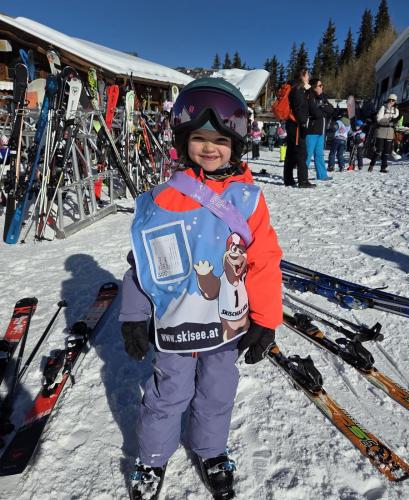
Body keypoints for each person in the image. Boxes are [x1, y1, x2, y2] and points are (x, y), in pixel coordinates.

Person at [119, 78, 283, 500]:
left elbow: (264, 259)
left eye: (220, 140)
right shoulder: (163, 200)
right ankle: (152, 458)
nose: (210, 148)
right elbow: (144, 264)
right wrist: (134, 314)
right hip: (176, 323)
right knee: (168, 392)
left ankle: (211, 450)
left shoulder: (248, 200)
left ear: (236, 145)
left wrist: (266, 319)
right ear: (183, 140)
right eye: (199, 138)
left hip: (225, 326)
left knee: (217, 390)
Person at [283, 69, 315, 188]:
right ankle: (303, 181)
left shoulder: (295, 89)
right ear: (302, 77)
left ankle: (288, 179)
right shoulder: (298, 90)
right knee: (302, 153)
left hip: (292, 124)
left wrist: (308, 91)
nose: (309, 77)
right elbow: (299, 108)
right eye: (307, 75)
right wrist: (303, 123)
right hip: (296, 125)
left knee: (291, 152)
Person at [305, 78, 335, 181]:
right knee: (307, 154)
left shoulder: (323, 97)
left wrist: (322, 107)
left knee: (319, 155)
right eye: (320, 85)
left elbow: (331, 109)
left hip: (321, 131)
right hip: (311, 131)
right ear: (314, 87)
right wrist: (323, 110)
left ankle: (322, 175)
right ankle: (302, 176)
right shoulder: (309, 96)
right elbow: (315, 113)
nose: (322, 87)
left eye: (322, 85)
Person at [368, 94, 399, 173]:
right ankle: (372, 164)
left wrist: (395, 123)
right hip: (381, 131)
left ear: (395, 101)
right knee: (378, 149)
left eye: (393, 100)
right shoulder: (383, 108)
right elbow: (379, 119)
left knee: (387, 151)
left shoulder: (396, 110)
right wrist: (388, 121)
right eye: (390, 100)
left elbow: (396, 120)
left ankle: (383, 167)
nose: (391, 101)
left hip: (390, 132)